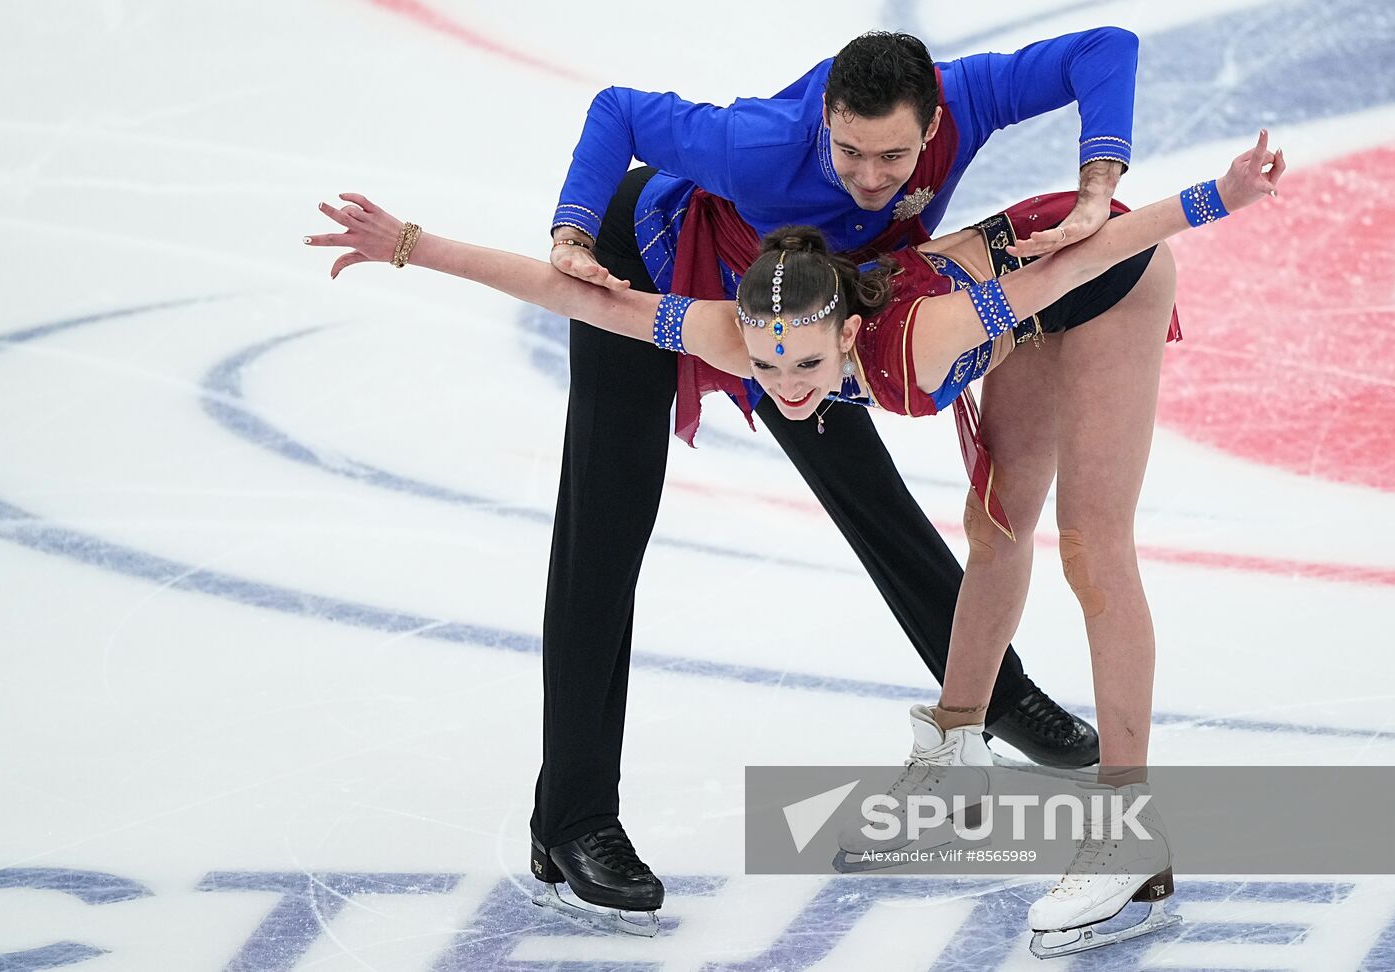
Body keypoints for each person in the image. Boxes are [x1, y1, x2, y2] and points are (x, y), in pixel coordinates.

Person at [303, 129, 1285, 954]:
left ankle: (1128, 842)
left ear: (850, 337)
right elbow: (589, 299)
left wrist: (1214, 198)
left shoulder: (925, 337)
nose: (785, 388)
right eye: (768, 364)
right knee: (995, 529)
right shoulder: (746, 333)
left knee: (1089, 549)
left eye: (807, 363)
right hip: (1017, 277)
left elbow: (1073, 266)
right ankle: (954, 748)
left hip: (1099, 272)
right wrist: (412, 245)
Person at [528, 27, 1141, 929]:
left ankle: (987, 693)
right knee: (606, 529)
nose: (868, 175)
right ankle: (571, 817)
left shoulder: (965, 98)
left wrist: (1099, 184)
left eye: (893, 156)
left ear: (934, 123)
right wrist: (574, 231)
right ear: (824, 121)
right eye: (848, 151)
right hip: (655, 271)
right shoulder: (762, 146)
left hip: (802, 316)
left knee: (867, 486)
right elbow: (619, 110)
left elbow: (1107, 48)